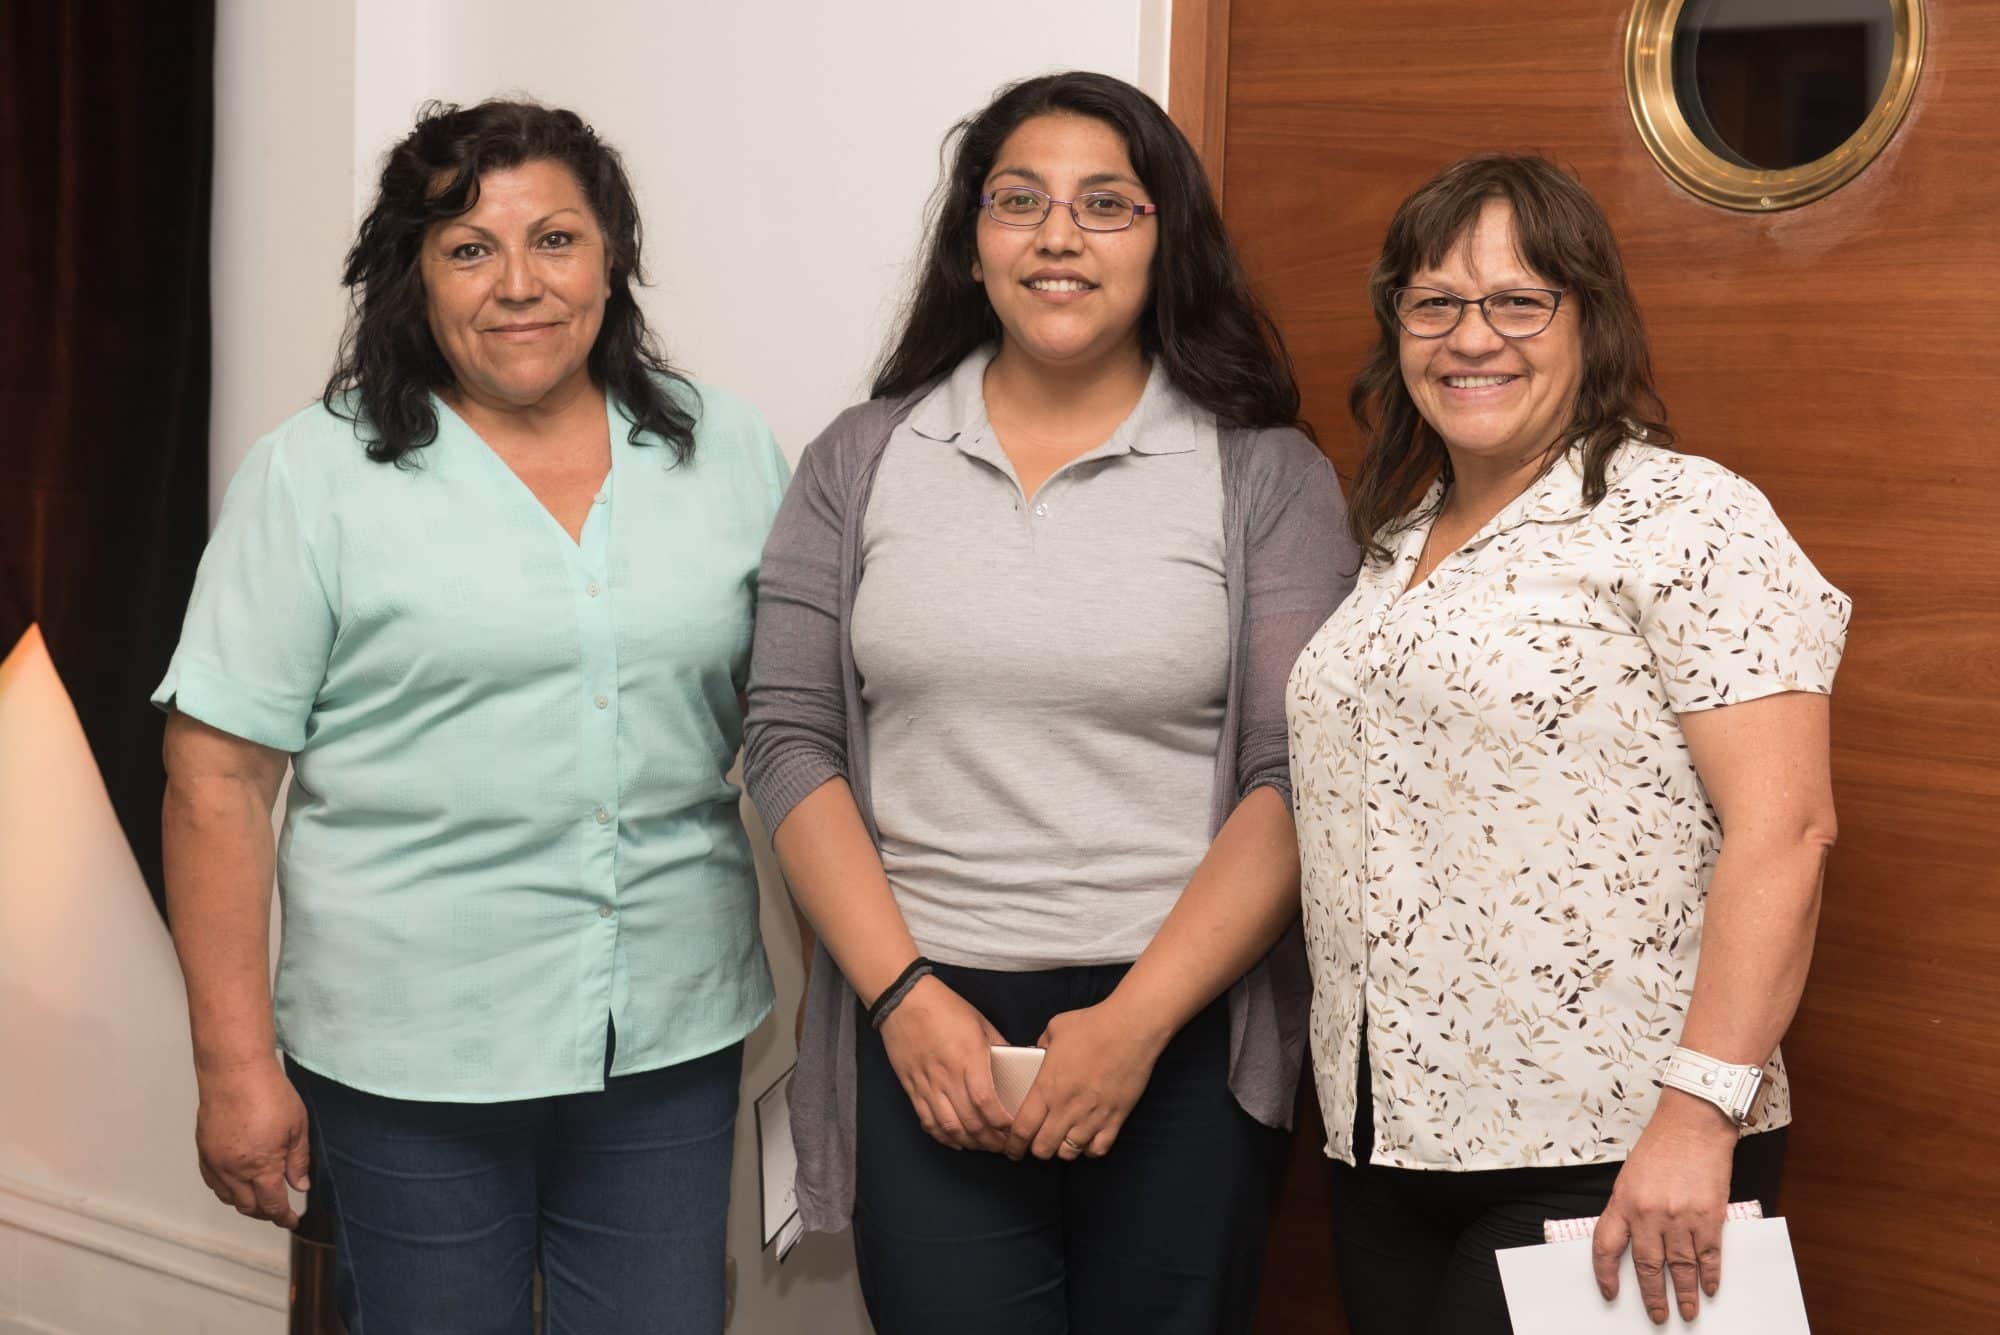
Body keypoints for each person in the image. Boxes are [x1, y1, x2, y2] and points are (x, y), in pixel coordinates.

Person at [155, 100, 787, 1335]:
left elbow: (798, 733)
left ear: (611, 255)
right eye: (467, 249)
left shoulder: (725, 450)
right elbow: (215, 779)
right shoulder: (314, 475)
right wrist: (233, 1067)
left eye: (555, 240)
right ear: (414, 274)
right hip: (406, 1053)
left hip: (667, 1035)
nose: (518, 285)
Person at [743, 71, 1356, 1334]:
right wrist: (901, 999)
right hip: (926, 1025)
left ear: (1165, 239)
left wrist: (1133, 1026)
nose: (1057, 236)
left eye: (1105, 204)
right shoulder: (859, 457)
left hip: (1177, 1028)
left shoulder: (1265, 475)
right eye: (1018, 201)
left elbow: (1296, 774)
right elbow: (790, 741)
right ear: (970, 241)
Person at [1287, 152, 1851, 1333]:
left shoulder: (1687, 517)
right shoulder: (1396, 539)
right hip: (1385, 1140)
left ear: (1587, 319)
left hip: (1616, 1147)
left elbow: (1786, 830)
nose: (1469, 337)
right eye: (1433, 303)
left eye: (1516, 301)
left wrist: (1696, 1117)